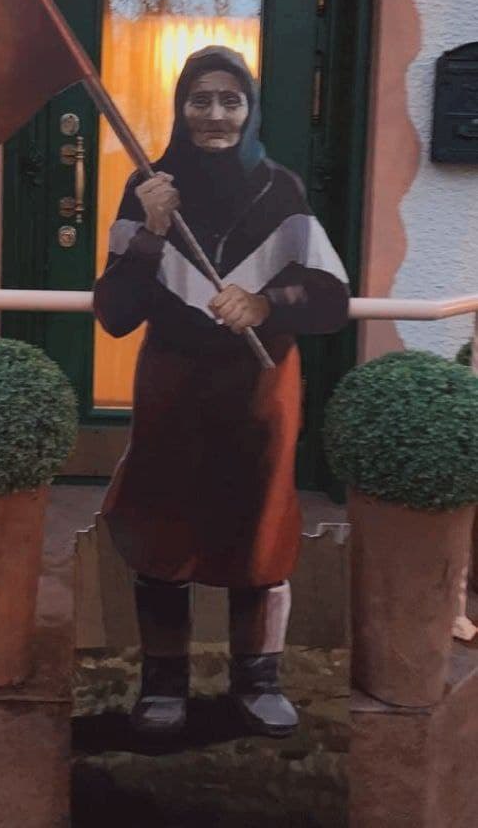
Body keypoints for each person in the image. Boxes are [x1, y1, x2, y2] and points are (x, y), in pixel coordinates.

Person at [93, 45, 350, 742]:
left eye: (229, 100)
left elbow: (331, 299)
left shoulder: (281, 190)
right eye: (199, 99)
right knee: (162, 527)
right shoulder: (147, 188)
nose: (214, 114)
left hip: (259, 393)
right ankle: (163, 683)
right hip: (173, 385)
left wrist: (266, 303)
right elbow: (114, 312)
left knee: (257, 528)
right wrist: (150, 233)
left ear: (250, 110)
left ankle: (258, 680)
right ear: (180, 107)